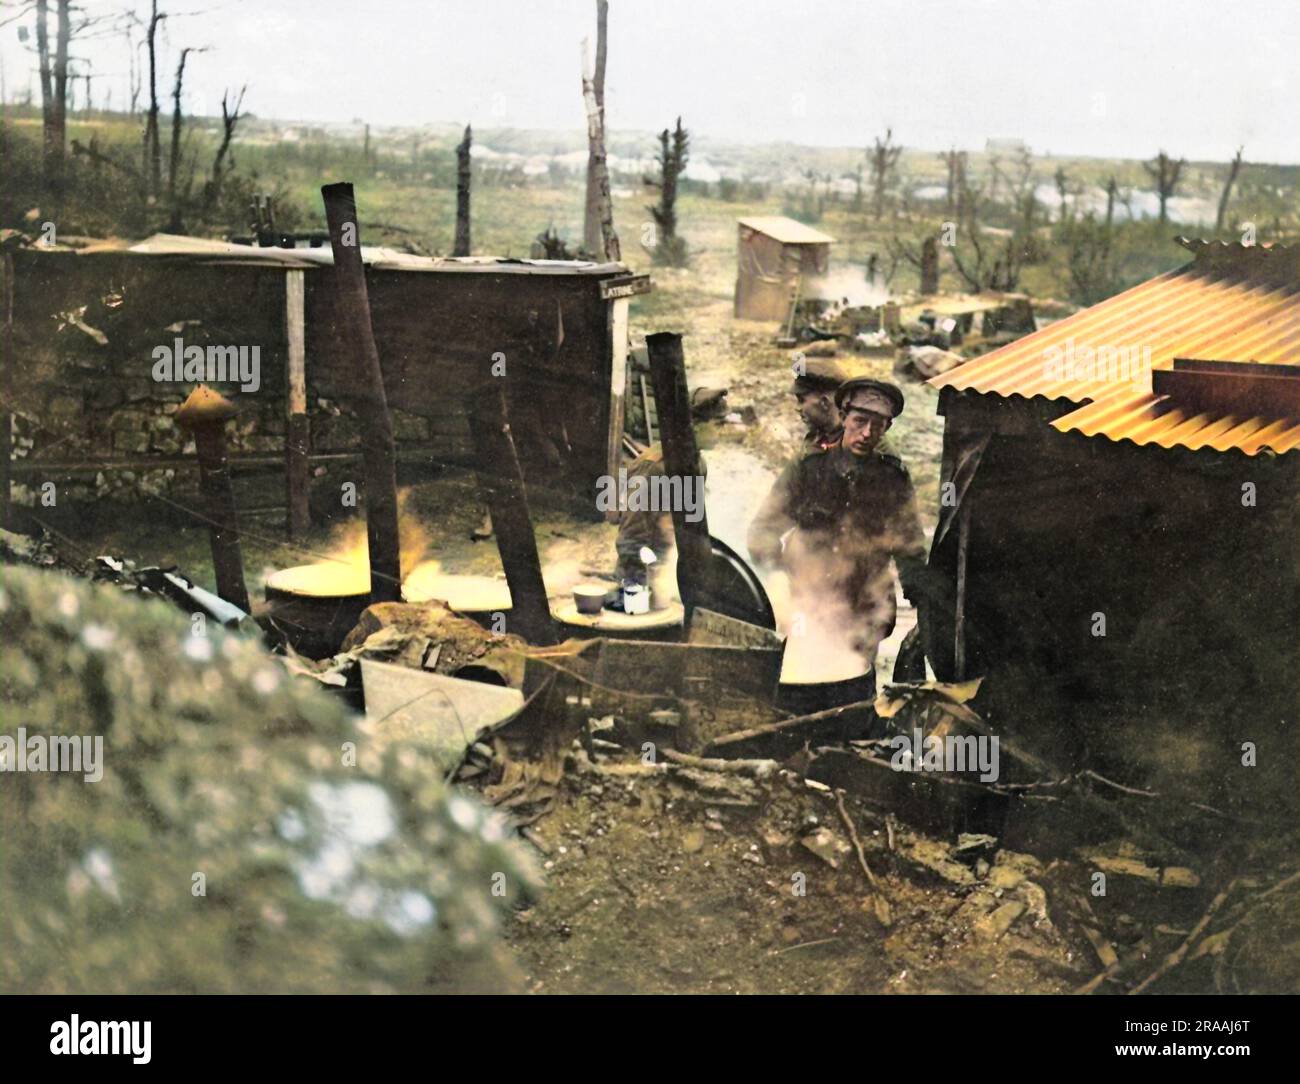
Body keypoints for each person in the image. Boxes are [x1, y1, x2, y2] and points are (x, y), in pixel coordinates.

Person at [747, 377, 927, 675]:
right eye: (860, 421)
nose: (867, 433)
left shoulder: (891, 475)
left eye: (878, 425)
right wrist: (780, 581)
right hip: (809, 597)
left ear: (887, 428)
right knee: (805, 678)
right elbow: (763, 530)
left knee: (856, 680)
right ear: (843, 418)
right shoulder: (808, 468)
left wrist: (920, 594)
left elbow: (909, 542)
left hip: (865, 602)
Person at [792, 357, 847, 453]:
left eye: (802, 400)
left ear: (824, 403)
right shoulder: (814, 439)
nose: (797, 408)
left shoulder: (856, 444)